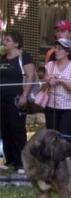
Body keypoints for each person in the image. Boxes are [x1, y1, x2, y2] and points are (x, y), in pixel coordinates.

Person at [0, 31, 36, 174]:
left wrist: (24, 95)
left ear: (16, 43)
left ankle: (21, 162)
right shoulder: (3, 58)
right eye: (4, 40)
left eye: (8, 40)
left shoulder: (24, 57)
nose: (5, 42)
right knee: (5, 128)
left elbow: (30, 77)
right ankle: (10, 160)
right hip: (2, 99)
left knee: (17, 129)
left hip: (16, 98)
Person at [42, 39, 71, 136]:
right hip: (51, 107)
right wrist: (48, 81)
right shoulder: (50, 65)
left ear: (67, 52)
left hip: (69, 108)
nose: (56, 50)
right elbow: (43, 87)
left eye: (60, 49)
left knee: (65, 137)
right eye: (55, 48)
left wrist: (61, 79)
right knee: (51, 137)